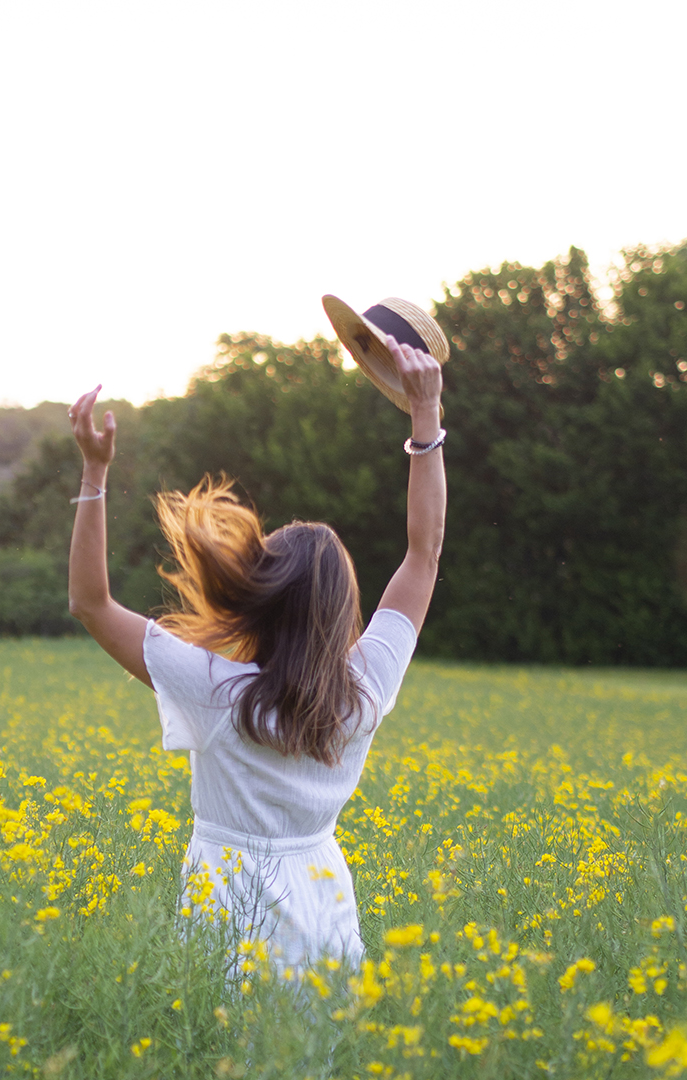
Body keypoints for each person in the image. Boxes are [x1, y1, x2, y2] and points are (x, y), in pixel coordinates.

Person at [66, 336, 445, 971]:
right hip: (324, 898)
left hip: (230, 902)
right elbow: (424, 553)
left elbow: (90, 603)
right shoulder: (367, 688)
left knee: (228, 1062)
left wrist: (95, 473)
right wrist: (425, 417)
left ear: (263, 596)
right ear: (342, 610)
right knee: (317, 1063)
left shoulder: (217, 692)